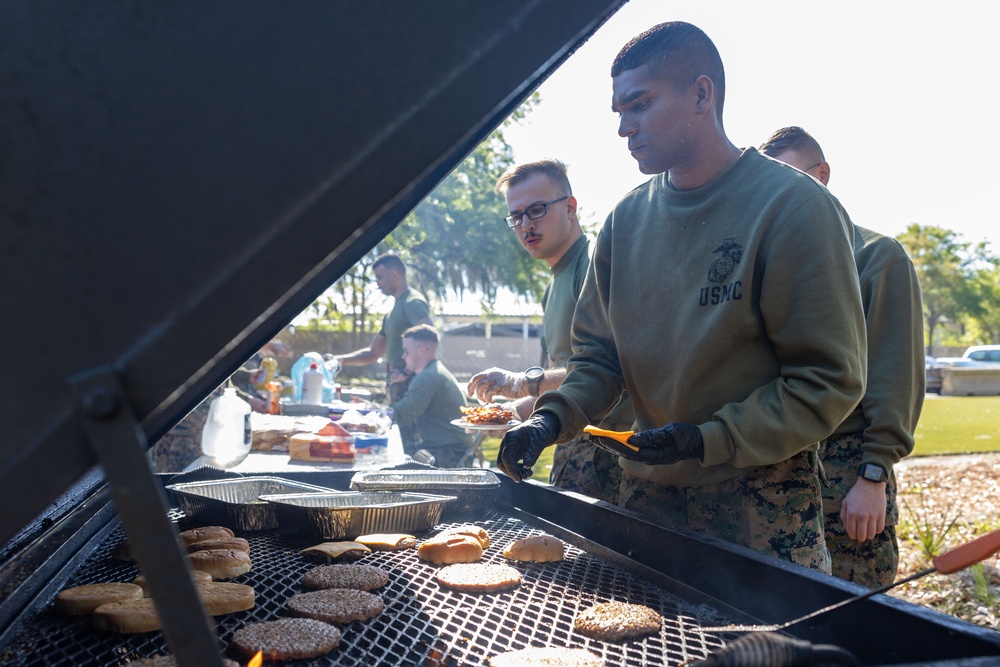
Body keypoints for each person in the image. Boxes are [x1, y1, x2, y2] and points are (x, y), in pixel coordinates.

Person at [496, 21, 867, 573]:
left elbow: (829, 380)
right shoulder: (625, 222)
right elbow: (599, 360)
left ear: (701, 93)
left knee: (761, 657)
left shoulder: (792, 209)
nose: (624, 128)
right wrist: (550, 421)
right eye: (619, 112)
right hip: (645, 496)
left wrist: (705, 439)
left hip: (761, 505)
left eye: (640, 105)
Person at [760, 126, 924, 587]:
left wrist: (873, 474)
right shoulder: (777, 263)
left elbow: (896, 377)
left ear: (823, 175)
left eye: (794, 179)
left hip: (850, 471)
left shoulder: (876, 257)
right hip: (782, 479)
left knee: (856, 616)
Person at [466, 159, 632, 503]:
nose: (525, 225)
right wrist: (515, 414)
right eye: (516, 217)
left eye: (537, 210)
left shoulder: (593, 265)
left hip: (606, 455)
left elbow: (609, 369)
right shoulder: (554, 282)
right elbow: (566, 373)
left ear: (570, 207)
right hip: (569, 445)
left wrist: (518, 383)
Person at [334, 253, 433, 406]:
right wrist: (336, 360)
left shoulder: (412, 302)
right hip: (396, 387)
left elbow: (428, 334)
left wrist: (407, 371)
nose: (378, 283)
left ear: (394, 275)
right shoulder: (391, 312)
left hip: (412, 387)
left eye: (380, 277)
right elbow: (373, 353)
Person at [390, 324, 472, 468]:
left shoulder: (427, 377)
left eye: (406, 351)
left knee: (389, 458)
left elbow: (401, 415)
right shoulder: (435, 371)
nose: (403, 356)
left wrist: (370, 415)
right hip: (452, 449)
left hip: (449, 454)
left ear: (422, 350)